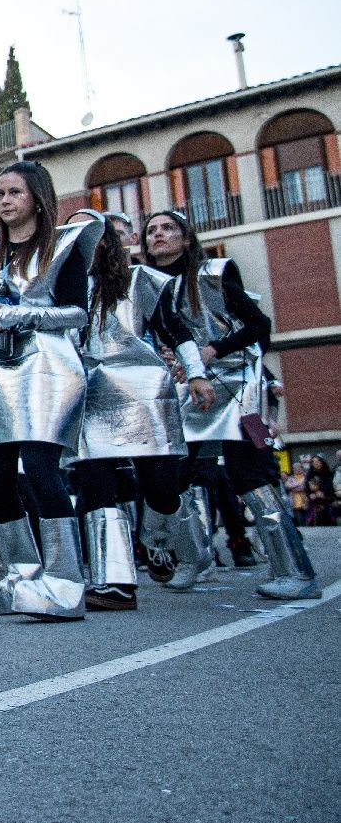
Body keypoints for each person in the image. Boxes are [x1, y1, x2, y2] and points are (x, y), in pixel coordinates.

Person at [143, 209, 315, 599]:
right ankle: (193, 558)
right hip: (185, 389)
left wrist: (213, 349)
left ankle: (296, 571)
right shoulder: (148, 286)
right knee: (174, 477)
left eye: (168, 228)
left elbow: (259, 326)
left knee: (249, 475)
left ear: (186, 238)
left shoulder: (213, 275)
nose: (158, 236)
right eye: (152, 231)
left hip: (235, 382)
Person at [0, 162, 102, 622]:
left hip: (48, 364)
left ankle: (65, 581)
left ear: (37, 197)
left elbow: (79, 312)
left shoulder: (64, 245)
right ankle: (22, 573)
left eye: (14, 192)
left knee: (41, 467)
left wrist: (27, 316)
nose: (4, 200)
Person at [71, 210, 214, 609]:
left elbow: (176, 330)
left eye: (92, 232)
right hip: (90, 393)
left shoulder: (141, 280)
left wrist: (198, 374)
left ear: (107, 240)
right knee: (96, 485)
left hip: (144, 389)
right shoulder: (63, 286)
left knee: (162, 489)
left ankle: (172, 544)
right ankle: (114, 582)